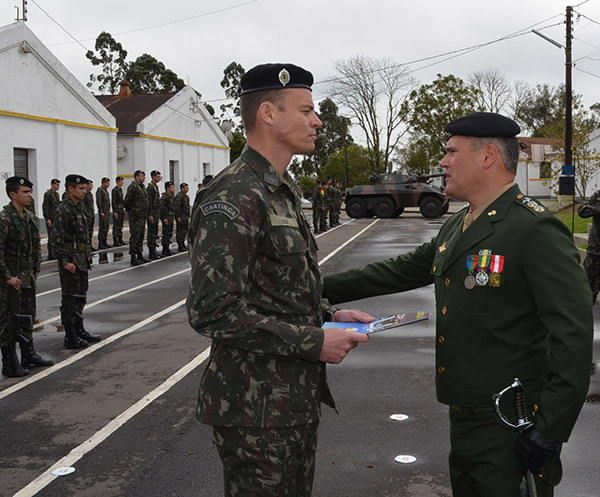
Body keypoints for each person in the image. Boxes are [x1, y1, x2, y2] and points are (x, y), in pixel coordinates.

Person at [323, 112, 593, 497]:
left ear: (487, 157)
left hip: (511, 426)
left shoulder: (534, 230)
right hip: (463, 419)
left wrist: (549, 429)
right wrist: (310, 285)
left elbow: (574, 336)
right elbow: (399, 270)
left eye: (451, 152)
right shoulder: (459, 224)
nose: (443, 162)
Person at [186, 63, 371, 497]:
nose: (317, 120)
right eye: (306, 110)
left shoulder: (279, 189)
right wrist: (313, 342)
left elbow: (273, 291)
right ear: (268, 113)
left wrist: (328, 316)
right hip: (255, 409)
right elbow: (212, 310)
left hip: (288, 401)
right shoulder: (234, 195)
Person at [0, 176, 53, 377]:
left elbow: (36, 246)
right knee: (8, 320)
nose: (30, 195)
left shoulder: (29, 217)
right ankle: (9, 362)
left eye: (30, 192)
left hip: (27, 276)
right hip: (11, 279)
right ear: (13, 194)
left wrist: (36, 267)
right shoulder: (4, 218)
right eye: (25, 192)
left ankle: (28, 354)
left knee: (27, 317)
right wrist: (7, 277)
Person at [49, 174, 101, 349]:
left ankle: (79, 329)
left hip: (81, 260)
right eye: (80, 189)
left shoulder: (79, 207)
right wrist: (64, 261)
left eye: (85, 189)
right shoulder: (64, 209)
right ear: (70, 189)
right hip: (70, 261)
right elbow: (56, 239)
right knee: (69, 298)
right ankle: (70, 334)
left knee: (80, 297)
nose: (84, 192)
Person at [578, 192, 600, 304]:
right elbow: (582, 211)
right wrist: (597, 210)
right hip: (595, 252)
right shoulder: (598, 195)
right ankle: (584, 318)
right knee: (587, 290)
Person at [124, 170, 149, 266]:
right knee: (135, 236)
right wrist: (132, 211)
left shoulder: (142, 187)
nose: (143, 177)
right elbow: (127, 201)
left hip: (142, 215)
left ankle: (140, 254)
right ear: (136, 177)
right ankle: (133, 256)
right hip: (135, 216)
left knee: (141, 236)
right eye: (141, 176)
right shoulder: (133, 187)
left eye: (144, 176)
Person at [42, 178, 61, 260]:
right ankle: (51, 253)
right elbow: (45, 207)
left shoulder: (56, 194)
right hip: (50, 218)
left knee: (55, 236)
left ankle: (55, 252)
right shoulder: (48, 194)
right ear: (52, 184)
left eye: (59, 185)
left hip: (56, 218)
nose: (58, 187)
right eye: (57, 185)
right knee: (51, 236)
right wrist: (47, 219)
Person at [146, 170, 162, 260]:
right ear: (153, 177)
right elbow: (149, 202)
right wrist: (150, 214)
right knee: (151, 233)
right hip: (152, 214)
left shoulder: (155, 187)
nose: (159, 178)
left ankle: (154, 250)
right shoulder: (150, 188)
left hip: (156, 213)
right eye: (158, 176)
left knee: (154, 232)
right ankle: (151, 251)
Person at [159, 181, 175, 257]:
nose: (173, 189)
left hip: (170, 217)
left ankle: (167, 248)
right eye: (172, 187)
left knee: (169, 233)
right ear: (167, 188)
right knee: (166, 233)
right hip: (167, 217)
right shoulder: (165, 196)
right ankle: (165, 249)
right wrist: (164, 218)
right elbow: (162, 208)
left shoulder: (170, 196)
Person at [174, 182, 190, 252]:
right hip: (181, 216)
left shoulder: (186, 196)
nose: (187, 189)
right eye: (186, 188)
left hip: (185, 217)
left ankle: (182, 243)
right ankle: (180, 244)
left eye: (187, 188)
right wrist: (177, 217)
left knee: (184, 231)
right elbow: (176, 207)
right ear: (182, 188)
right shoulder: (179, 196)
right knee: (180, 231)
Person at [96, 177, 111, 249]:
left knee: (106, 227)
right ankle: (101, 243)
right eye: (107, 183)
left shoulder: (105, 191)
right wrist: (101, 211)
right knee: (102, 227)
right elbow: (99, 201)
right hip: (103, 212)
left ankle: (105, 242)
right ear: (103, 183)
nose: (108, 184)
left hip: (107, 212)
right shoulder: (100, 190)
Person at [111, 176, 126, 247]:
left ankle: (120, 239)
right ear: (118, 182)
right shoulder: (115, 190)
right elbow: (114, 201)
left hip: (121, 210)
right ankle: (116, 240)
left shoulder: (120, 190)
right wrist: (115, 211)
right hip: (117, 210)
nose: (122, 183)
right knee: (116, 226)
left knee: (120, 226)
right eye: (121, 181)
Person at [83, 179, 96, 252]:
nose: (92, 186)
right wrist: (86, 214)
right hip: (87, 216)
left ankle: (90, 245)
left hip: (91, 215)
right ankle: (87, 247)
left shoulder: (90, 194)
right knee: (86, 232)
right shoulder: (84, 194)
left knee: (90, 231)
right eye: (91, 185)